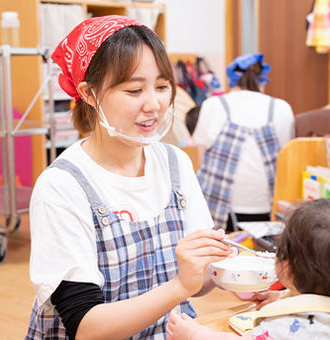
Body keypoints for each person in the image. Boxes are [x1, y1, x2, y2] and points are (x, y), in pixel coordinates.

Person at [26, 15, 232, 340]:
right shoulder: (62, 186)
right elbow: (86, 326)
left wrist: (231, 274)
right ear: (89, 94)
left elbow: (199, 279)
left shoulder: (175, 163)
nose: (155, 104)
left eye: (163, 87)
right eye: (135, 90)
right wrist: (180, 286)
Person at [166, 199, 330, 339]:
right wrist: (283, 297)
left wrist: (195, 334)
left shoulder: (284, 327)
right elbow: (323, 303)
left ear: (287, 267)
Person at [194, 53, 295, 231]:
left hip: (219, 208)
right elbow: (286, 156)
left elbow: (202, 158)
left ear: (231, 80)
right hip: (268, 206)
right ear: (263, 81)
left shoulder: (213, 105)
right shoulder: (281, 107)